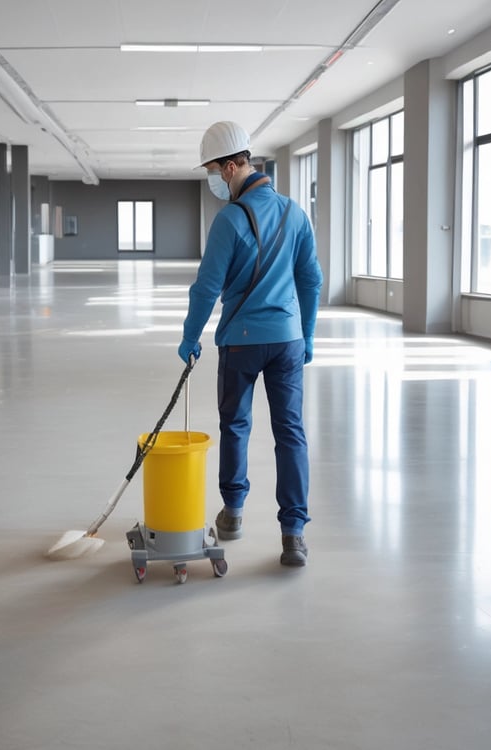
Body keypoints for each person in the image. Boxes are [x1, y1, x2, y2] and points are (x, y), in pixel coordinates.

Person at [178, 121, 323, 567]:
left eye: (214, 170)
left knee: (235, 426)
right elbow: (311, 280)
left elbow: (206, 288)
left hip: (240, 344)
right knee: (291, 432)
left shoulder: (229, 220)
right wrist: (308, 335)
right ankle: (293, 535)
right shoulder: (295, 213)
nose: (215, 179)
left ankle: (234, 513)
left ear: (230, 167)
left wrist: (190, 336)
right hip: (287, 342)